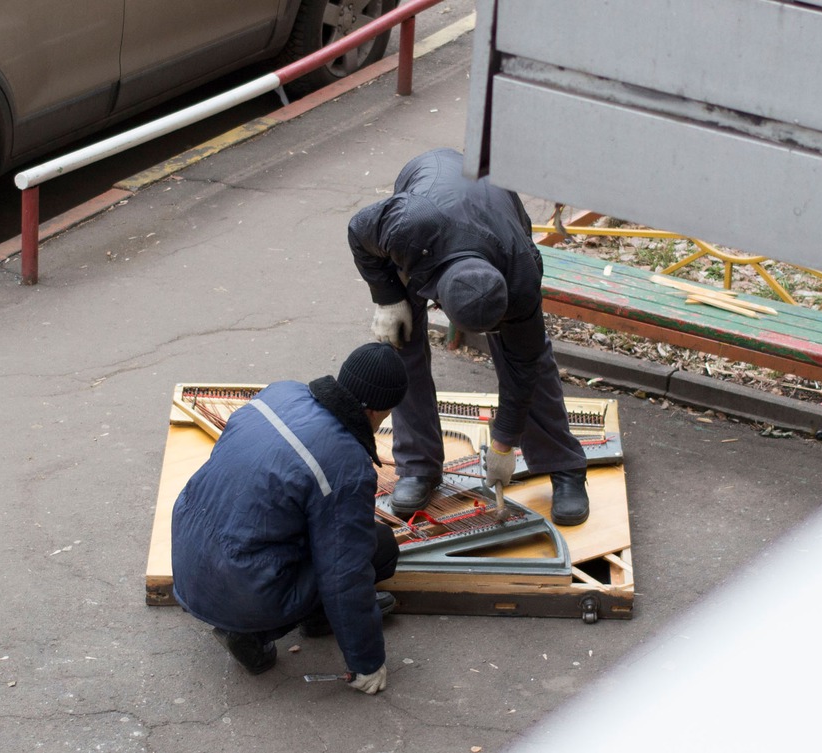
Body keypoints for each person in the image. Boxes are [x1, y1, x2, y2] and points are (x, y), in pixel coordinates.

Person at [348, 147, 589, 527]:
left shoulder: (521, 271)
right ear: (438, 299)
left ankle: (564, 466)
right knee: (401, 340)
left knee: (530, 360)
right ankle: (418, 468)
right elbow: (358, 231)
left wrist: (503, 443)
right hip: (430, 190)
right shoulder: (407, 225)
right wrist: (389, 298)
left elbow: (522, 367)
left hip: (495, 201)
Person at [171, 343, 409, 695]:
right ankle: (253, 635)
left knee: (310, 528)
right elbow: (345, 574)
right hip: (240, 586)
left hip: (187, 549)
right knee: (379, 548)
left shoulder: (280, 393)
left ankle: (314, 617)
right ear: (378, 411)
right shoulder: (346, 464)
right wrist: (366, 661)